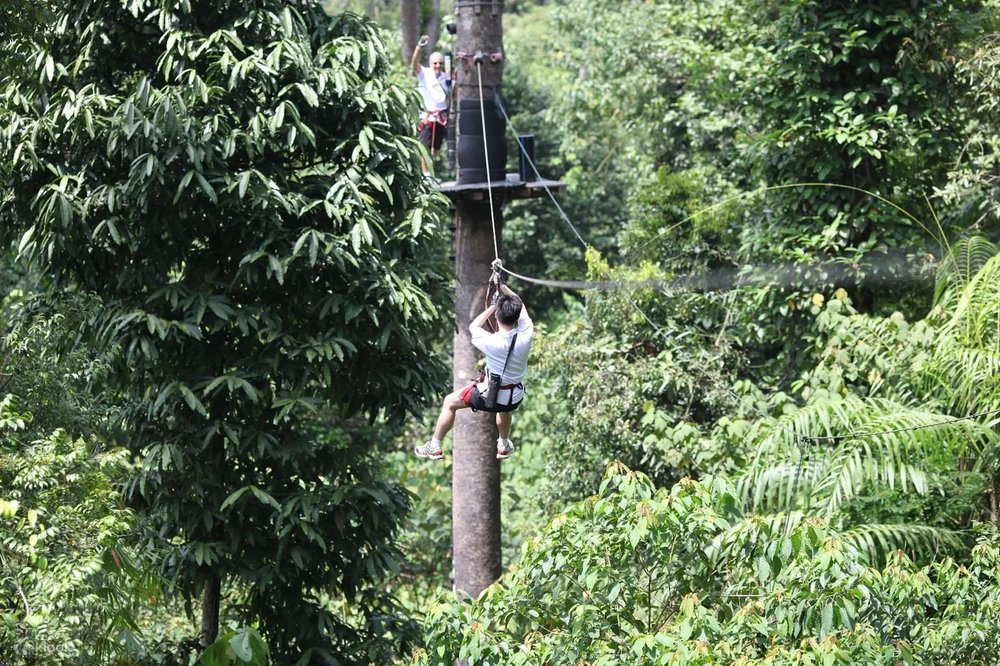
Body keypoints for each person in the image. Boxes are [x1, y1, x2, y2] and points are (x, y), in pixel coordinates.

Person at [415, 281, 534, 461]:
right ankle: (503, 443)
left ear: (497, 317)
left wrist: (493, 306)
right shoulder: (526, 334)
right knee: (504, 409)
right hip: (514, 397)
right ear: (516, 317)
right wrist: (503, 287)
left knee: (449, 402)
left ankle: (435, 446)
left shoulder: (490, 341)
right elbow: (520, 303)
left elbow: (474, 326)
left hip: (488, 396)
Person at [410, 34, 450, 158]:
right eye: (435, 63)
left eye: (440, 63)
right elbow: (414, 63)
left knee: (435, 148)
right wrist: (419, 46)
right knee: (425, 148)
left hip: (440, 118)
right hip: (427, 117)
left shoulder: (446, 77)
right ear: (430, 63)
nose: (438, 66)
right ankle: (425, 175)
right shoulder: (424, 73)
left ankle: (430, 175)